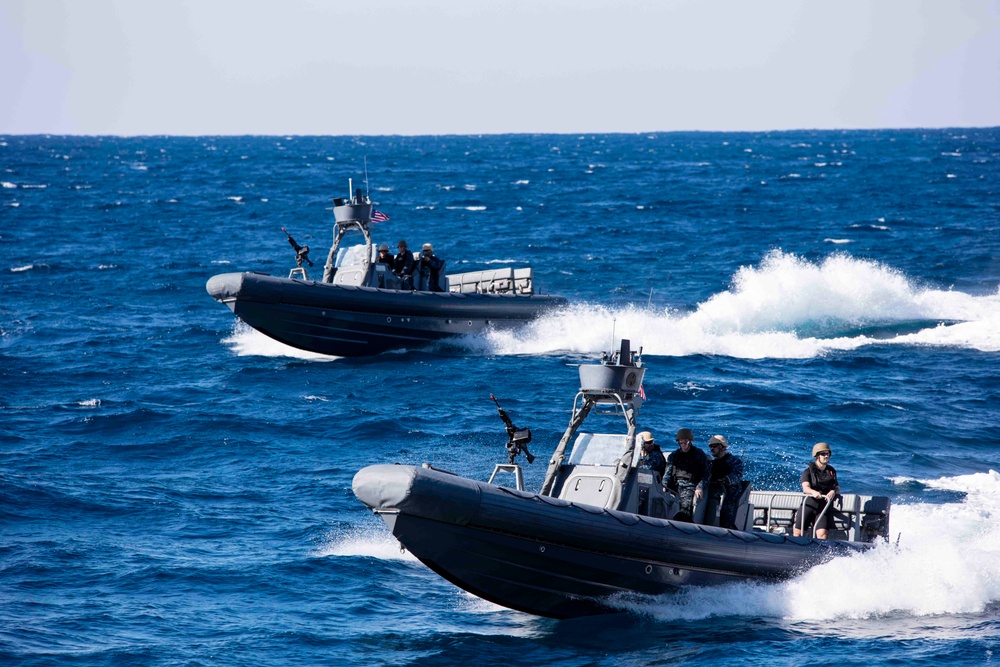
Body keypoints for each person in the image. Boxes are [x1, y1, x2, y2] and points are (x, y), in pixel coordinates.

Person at [793, 442, 840, 539]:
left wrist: (833, 491)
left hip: (823, 507)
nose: (826, 456)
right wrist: (813, 492)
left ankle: (819, 553)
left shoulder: (831, 471)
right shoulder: (808, 472)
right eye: (823, 454)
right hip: (809, 505)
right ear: (817, 456)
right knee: (798, 532)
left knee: (822, 535)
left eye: (828, 454)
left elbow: (837, 487)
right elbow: (805, 488)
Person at [665, 427, 712, 522]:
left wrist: (699, 488)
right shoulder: (674, 456)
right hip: (674, 486)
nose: (683, 445)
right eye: (680, 442)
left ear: (690, 441)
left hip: (690, 486)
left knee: (685, 508)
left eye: (685, 442)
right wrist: (664, 486)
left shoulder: (698, 455)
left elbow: (706, 473)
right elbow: (667, 473)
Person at [706, 435, 744, 529]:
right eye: (710, 446)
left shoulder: (734, 461)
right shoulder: (712, 464)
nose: (712, 449)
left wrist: (726, 480)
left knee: (727, 516)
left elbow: (737, 475)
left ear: (723, 447)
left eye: (714, 446)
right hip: (715, 494)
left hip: (729, 496)